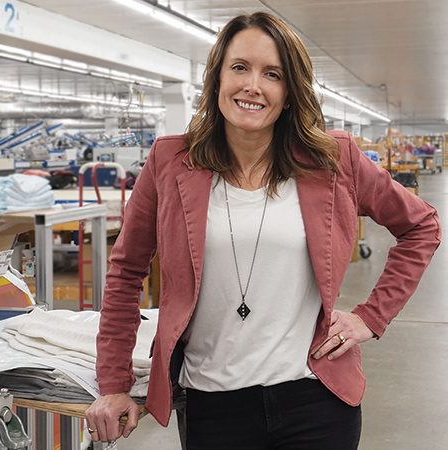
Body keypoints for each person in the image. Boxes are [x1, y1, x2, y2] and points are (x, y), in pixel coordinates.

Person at [85, 11, 441, 450]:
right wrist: (115, 381)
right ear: (217, 79)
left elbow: (422, 225)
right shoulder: (169, 162)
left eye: (272, 74)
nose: (253, 86)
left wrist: (372, 316)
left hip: (317, 399)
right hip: (212, 404)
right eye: (239, 68)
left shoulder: (333, 160)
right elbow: (125, 273)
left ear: (289, 92)